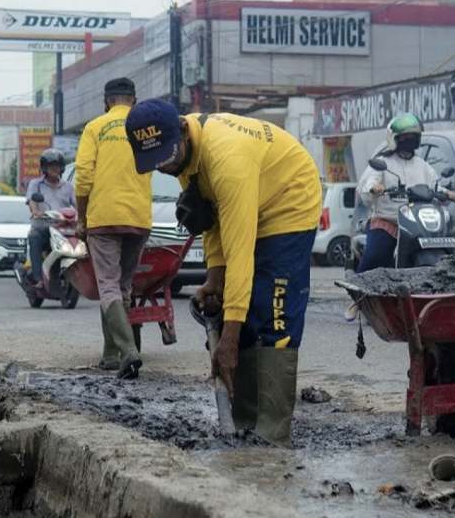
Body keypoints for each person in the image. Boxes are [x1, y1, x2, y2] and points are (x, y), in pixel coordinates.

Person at [126, 99, 322, 446]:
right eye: (157, 163)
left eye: (169, 157)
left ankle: (273, 433)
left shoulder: (227, 159)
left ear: (184, 131)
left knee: (273, 313)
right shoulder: (188, 156)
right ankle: (245, 423)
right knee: (241, 315)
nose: (166, 167)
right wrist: (215, 277)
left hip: (288, 202)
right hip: (250, 200)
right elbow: (211, 219)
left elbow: (240, 252)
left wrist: (228, 339)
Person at [75, 78, 152, 379]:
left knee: (107, 285)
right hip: (138, 217)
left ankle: (129, 350)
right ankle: (111, 354)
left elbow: (83, 176)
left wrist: (82, 217)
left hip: (104, 218)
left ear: (107, 101)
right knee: (123, 287)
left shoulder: (95, 127)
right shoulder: (144, 128)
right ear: (133, 100)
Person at [356, 113, 455, 274]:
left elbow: (435, 186)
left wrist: (447, 193)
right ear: (394, 139)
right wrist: (375, 187)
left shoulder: (423, 166)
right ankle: (361, 287)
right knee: (377, 254)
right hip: (389, 222)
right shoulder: (383, 163)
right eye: (404, 137)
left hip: (417, 224)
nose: (408, 140)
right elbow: (367, 184)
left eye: (413, 137)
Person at [25, 148, 75, 287]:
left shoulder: (68, 187)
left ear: (62, 168)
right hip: (43, 227)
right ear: (44, 168)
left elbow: (77, 205)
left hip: (64, 228)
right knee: (34, 237)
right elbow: (31, 201)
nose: (54, 168)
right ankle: (38, 278)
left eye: (57, 165)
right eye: (50, 166)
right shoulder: (36, 184)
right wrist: (36, 211)